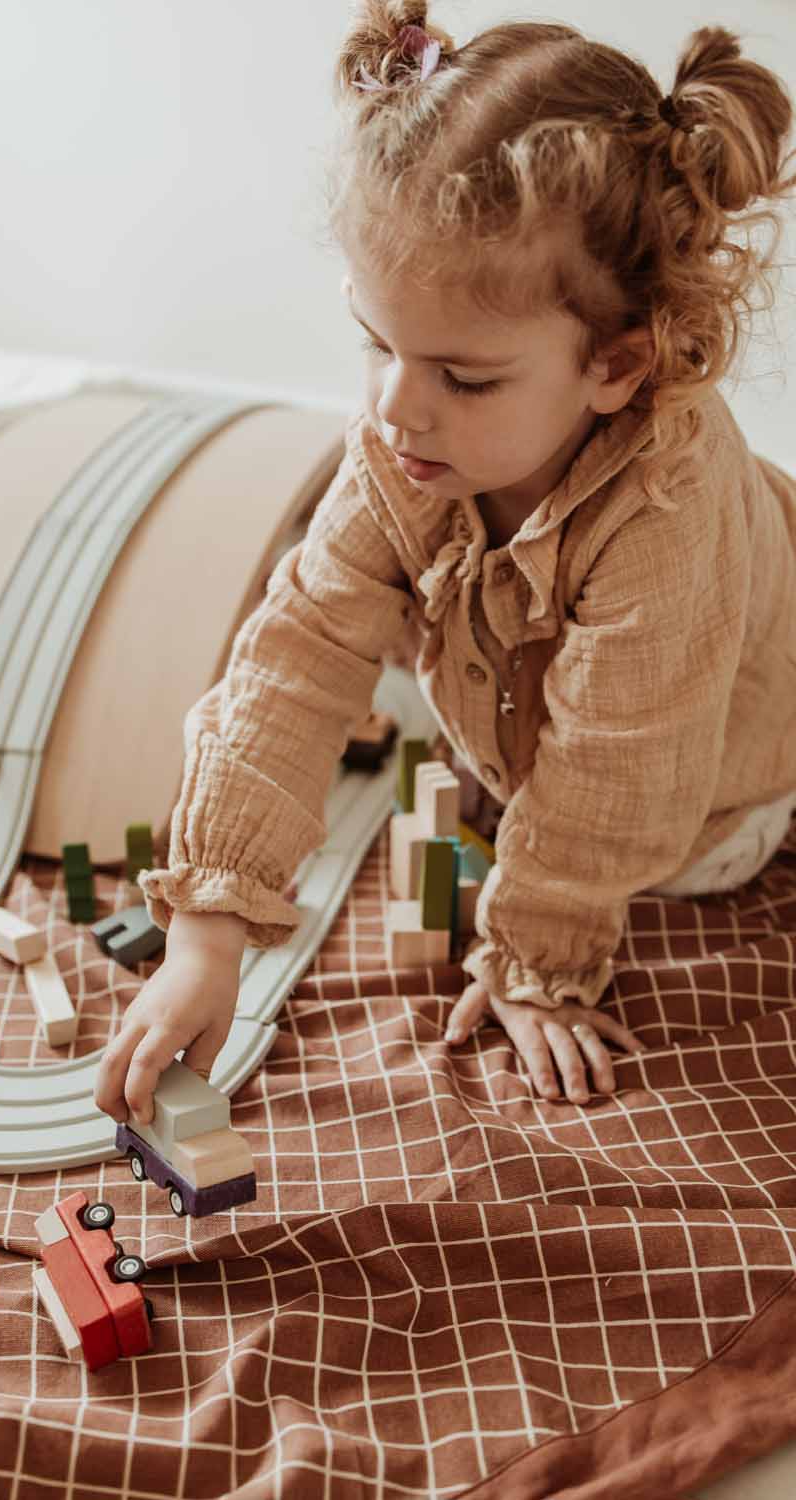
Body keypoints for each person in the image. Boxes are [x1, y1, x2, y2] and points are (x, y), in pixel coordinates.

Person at [95, 4, 796, 1128]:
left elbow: (623, 772)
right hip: (535, 717)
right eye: (376, 342)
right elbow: (297, 649)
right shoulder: (401, 443)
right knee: (356, 644)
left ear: (614, 366)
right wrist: (208, 923)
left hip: (707, 798)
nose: (393, 406)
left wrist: (538, 958)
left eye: (464, 380)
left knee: (638, 814)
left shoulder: (670, 508)